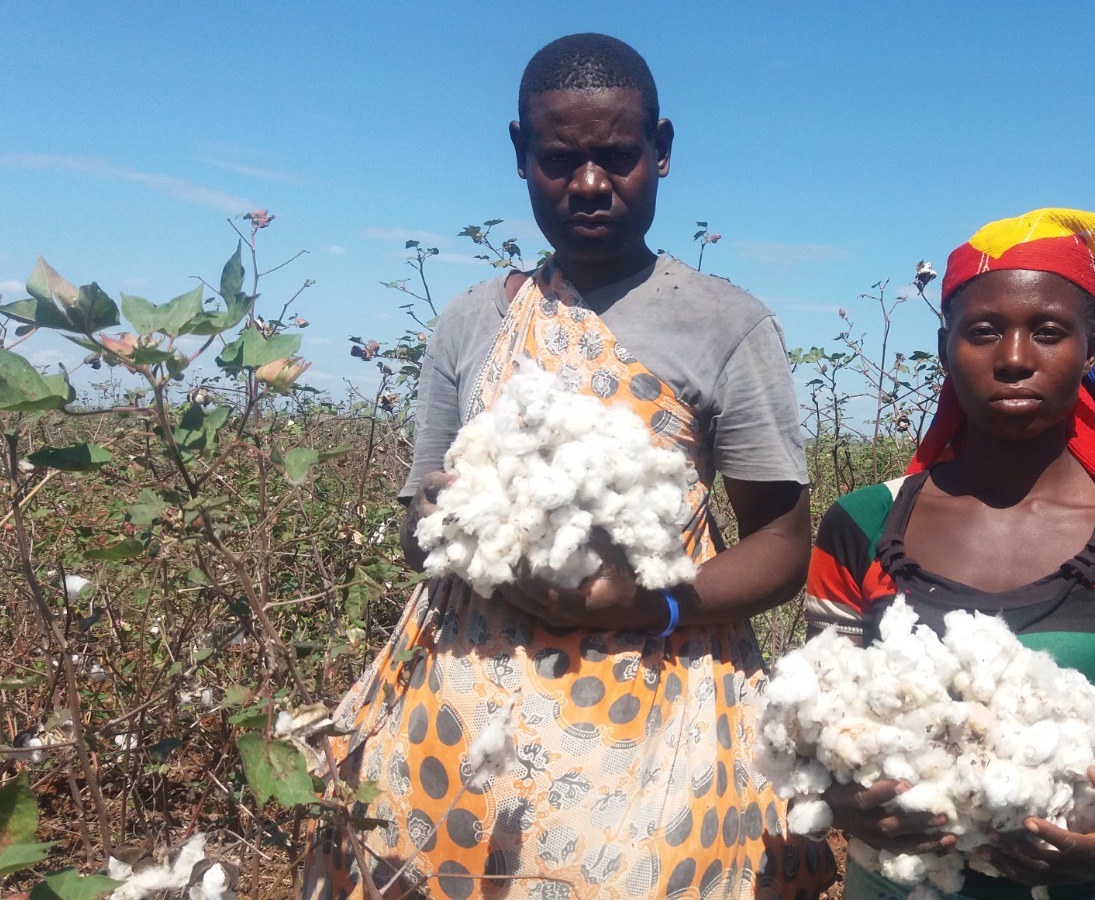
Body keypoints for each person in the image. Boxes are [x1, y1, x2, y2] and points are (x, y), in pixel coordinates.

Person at [303, 33, 833, 899]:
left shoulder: (725, 326)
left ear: (662, 151)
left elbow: (781, 544)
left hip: (660, 701)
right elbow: (416, 526)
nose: (590, 184)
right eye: (560, 159)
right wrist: (458, 523)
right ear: (520, 155)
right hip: (468, 705)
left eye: (617, 157)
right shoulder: (472, 323)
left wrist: (646, 604)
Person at [804, 210, 1095, 900]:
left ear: (1092, 350)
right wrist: (843, 803)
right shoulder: (862, 524)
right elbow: (817, 725)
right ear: (946, 348)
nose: (1014, 358)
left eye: (1050, 331)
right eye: (984, 331)